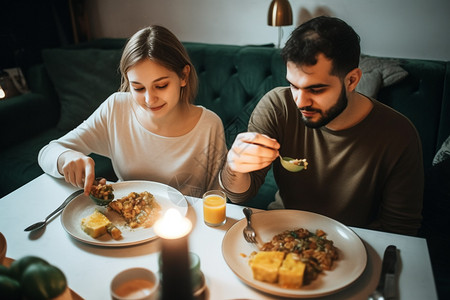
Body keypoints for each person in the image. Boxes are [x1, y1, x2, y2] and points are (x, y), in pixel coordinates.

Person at [220, 16, 423, 236]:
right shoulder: (277, 106)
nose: (300, 101)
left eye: (316, 90)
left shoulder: (399, 133)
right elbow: (240, 195)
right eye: (293, 86)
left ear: (352, 80)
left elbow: (401, 229)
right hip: (283, 231)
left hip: (358, 242)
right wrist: (234, 167)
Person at [39, 25, 227, 198]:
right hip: (126, 226)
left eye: (161, 86)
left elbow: (219, 196)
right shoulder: (116, 108)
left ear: (184, 76)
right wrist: (67, 157)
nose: (149, 100)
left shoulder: (209, 125)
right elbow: (47, 152)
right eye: (137, 88)